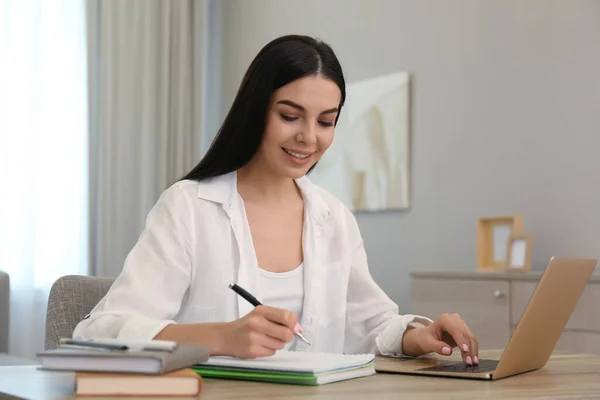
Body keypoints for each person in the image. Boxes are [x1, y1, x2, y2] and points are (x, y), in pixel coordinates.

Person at [73, 34, 479, 365]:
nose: (308, 137)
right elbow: (101, 330)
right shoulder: (188, 208)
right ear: (256, 111)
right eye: (290, 116)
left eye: (325, 121)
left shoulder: (334, 218)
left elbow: (371, 325)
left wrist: (418, 335)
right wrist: (220, 337)